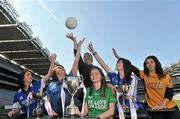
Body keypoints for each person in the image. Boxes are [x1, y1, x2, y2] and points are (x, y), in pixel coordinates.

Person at [87, 43, 152, 119]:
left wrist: (114, 88)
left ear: (125, 66)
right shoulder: (114, 76)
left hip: (135, 108)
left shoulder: (132, 78)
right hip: (119, 109)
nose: (117, 63)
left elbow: (130, 96)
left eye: (119, 62)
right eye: (117, 62)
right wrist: (94, 52)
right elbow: (103, 64)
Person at [112, 48, 180, 119]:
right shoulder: (144, 75)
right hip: (153, 107)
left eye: (151, 62)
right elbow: (131, 66)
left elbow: (169, 93)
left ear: (156, 63)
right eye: (147, 63)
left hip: (168, 106)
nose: (149, 64)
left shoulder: (166, 76)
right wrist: (118, 57)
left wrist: (161, 106)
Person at [8, 53, 56, 118]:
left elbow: (49, 74)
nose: (31, 76)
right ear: (23, 78)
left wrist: (52, 62)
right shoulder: (17, 94)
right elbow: (16, 110)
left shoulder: (37, 85)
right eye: (28, 74)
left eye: (31, 74)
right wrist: (13, 112)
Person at [46, 39, 84, 117]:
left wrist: (79, 47)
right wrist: (51, 113)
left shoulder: (69, 78)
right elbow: (48, 101)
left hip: (70, 115)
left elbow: (76, 62)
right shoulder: (51, 85)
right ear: (54, 71)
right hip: (55, 115)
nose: (61, 68)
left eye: (63, 67)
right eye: (59, 67)